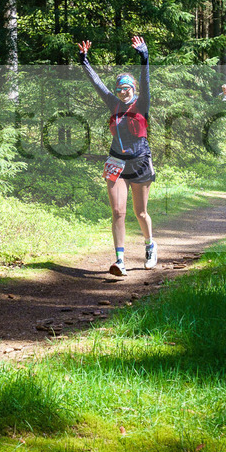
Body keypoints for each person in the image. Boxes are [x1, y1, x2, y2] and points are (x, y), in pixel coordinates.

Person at [79, 36, 157, 277]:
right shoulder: (113, 103)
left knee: (140, 212)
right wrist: (84, 61)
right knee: (118, 212)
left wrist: (144, 58)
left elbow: (145, 81)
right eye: (120, 89)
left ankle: (150, 245)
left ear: (133, 90)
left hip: (141, 161)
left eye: (127, 88)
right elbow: (97, 84)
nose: (123, 92)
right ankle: (119, 260)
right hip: (116, 162)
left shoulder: (142, 104)